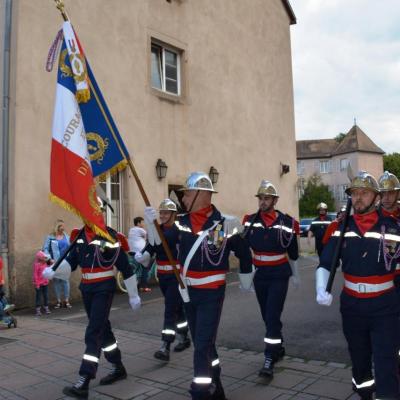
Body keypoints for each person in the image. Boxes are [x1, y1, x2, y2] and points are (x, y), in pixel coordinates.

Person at [144, 172, 253, 400]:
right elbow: (159, 245)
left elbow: (243, 253)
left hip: (212, 293)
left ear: (202, 195)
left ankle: (200, 392)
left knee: (201, 345)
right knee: (205, 344)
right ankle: (217, 384)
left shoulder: (224, 224)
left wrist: (245, 280)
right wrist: (152, 224)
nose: (183, 199)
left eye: (187, 194)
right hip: (188, 293)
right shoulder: (181, 224)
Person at [43, 198, 141, 399]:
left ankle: (84, 379)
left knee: (93, 331)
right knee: (102, 329)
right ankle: (117, 366)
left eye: (94, 211)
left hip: (104, 289)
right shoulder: (79, 237)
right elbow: (70, 263)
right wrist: (53, 271)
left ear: (101, 212)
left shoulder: (111, 237)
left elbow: (126, 267)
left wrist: (133, 294)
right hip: (87, 288)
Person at [316, 171, 400, 400]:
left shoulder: (393, 228)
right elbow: (326, 262)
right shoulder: (342, 228)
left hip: (385, 306)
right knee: (359, 359)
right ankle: (364, 393)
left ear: (376, 197)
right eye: (354, 193)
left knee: (386, 361)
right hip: (352, 306)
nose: (358, 198)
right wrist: (320, 287)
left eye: (364, 193)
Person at [242, 180, 299, 378]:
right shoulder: (249, 221)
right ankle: (279, 343)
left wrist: (297, 275)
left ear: (274, 200)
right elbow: (242, 251)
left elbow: (293, 253)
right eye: (261, 199)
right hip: (260, 274)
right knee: (267, 315)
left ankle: (269, 357)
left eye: (267, 198)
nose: (263, 202)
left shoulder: (287, 222)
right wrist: (245, 277)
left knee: (273, 314)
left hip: (278, 274)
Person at [136, 199, 190, 362]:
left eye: (166, 213)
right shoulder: (157, 230)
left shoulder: (178, 230)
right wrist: (144, 254)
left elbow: (166, 239)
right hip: (163, 276)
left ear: (173, 214)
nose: (163, 216)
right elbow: (152, 246)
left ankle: (165, 345)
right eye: (161, 213)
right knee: (177, 308)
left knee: (169, 309)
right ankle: (184, 336)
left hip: (176, 276)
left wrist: (151, 226)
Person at [43, 219, 72, 308]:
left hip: (65, 262)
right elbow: (45, 248)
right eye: (61, 226)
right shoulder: (50, 237)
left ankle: (66, 300)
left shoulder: (67, 237)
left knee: (65, 280)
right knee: (56, 281)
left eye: (64, 226)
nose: (63, 228)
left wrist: (70, 258)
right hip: (55, 261)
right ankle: (59, 301)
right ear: (57, 227)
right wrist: (49, 259)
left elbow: (70, 248)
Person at [128, 216, 151, 292]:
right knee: (145, 267)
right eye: (142, 222)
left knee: (136, 268)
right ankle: (143, 287)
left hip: (131, 251)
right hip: (140, 252)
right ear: (138, 223)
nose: (143, 224)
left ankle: (137, 285)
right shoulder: (140, 230)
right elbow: (148, 235)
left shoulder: (131, 230)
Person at [33, 250, 51, 316]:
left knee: (46, 296)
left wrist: (47, 279)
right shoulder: (37, 265)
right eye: (44, 258)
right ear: (40, 258)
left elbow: (48, 271)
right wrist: (37, 283)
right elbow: (35, 275)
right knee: (38, 296)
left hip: (45, 283)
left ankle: (46, 308)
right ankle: (38, 310)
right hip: (38, 284)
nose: (45, 259)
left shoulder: (46, 264)